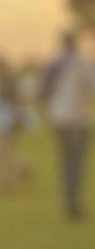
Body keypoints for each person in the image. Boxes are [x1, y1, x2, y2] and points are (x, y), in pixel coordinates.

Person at [39, 31, 95, 220]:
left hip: (58, 117)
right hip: (77, 119)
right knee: (76, 163)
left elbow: (42, 91)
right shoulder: (83, 62)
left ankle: (67, 202)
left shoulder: (52, 64)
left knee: (64, 162)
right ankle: (73, 204)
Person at [0, 53, 32, 194]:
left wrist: (17, 117)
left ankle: (7, 182)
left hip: (5, 119)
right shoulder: (4, 80)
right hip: (2, 119)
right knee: (5, 150)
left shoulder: (6, 81)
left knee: (2, 151)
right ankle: (23, 168)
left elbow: (14, 99)